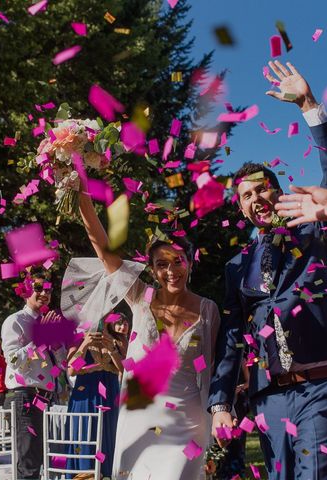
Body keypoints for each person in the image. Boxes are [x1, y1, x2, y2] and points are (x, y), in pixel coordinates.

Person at [208, 61, 327, 480]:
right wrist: (221, 403)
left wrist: (309, 105)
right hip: (268, 395)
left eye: (262, 188)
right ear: (240, 208)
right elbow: (231, 338)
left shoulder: (314, 228)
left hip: (320, 385)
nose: (256, 197)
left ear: (277, 191)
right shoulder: (236, 267)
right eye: (246, 195)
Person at [60, 179, 220, 480]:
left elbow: (211, 369)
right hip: (140, 412)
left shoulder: (207, 309)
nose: (171, 271)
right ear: (153, 269)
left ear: (188, 263)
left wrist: (218, 415)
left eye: (177, 262)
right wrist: (82, 200)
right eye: (162, 264)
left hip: (186, 417)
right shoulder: (140, 298)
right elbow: (105, 252)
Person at [2, 272, 66, 480]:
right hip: (25, 396)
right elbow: (12, 361)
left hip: (48, 397)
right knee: (29, 461)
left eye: (48, 288)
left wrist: (56, 346)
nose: (44, 293)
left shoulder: (51, 322)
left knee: (46, 458)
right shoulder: (15, 321)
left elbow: (63, 365)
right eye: (38, 288)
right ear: (26, 291)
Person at [64, 313, 128, 478]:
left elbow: (125, 369)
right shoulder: (79, 336)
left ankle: (106, 475)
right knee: (85, 434)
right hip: (86, 393)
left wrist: (112, 349)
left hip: (110, 393)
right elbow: (71, 370)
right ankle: (84, 474)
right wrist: (84, 344)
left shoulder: (119, 339)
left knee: (108, 435)